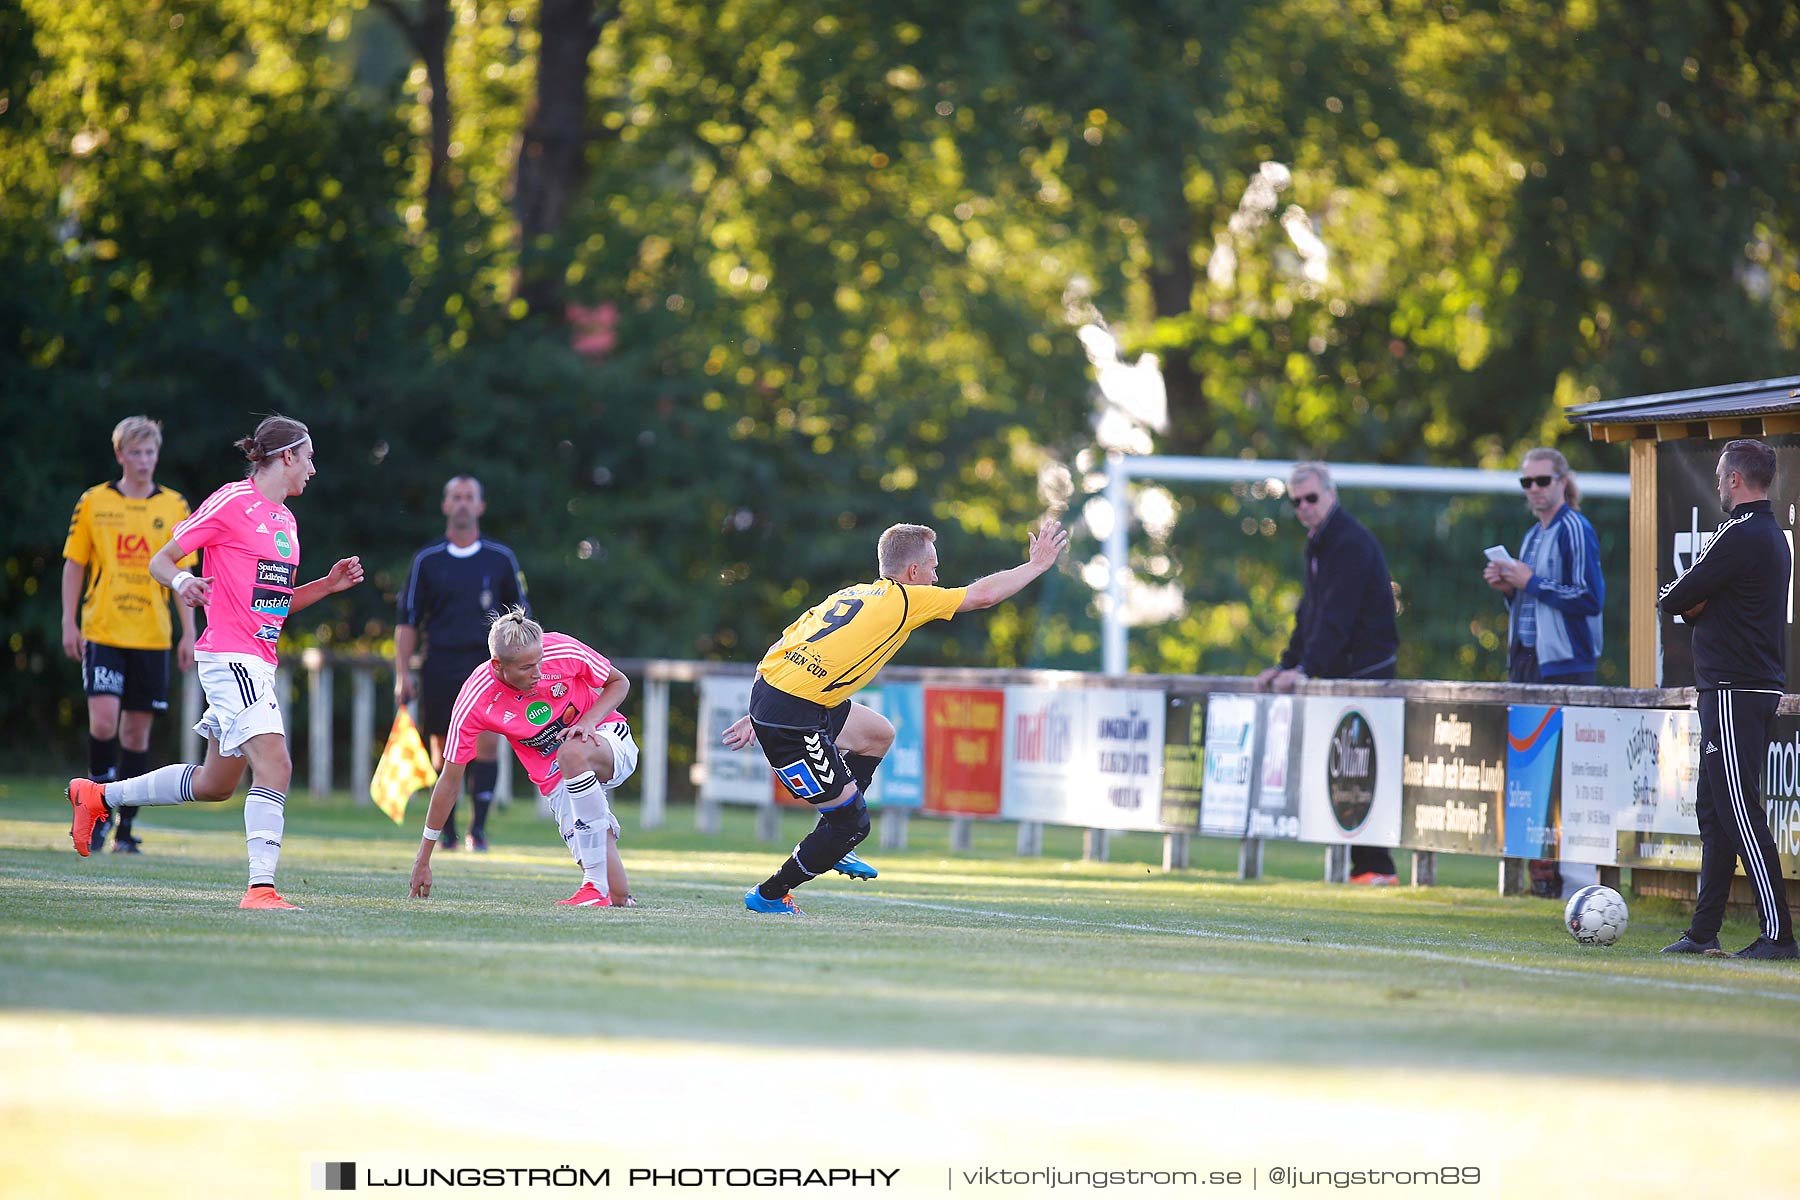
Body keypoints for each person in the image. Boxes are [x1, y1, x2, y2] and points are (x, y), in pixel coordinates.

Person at [64, 415, 366, 910]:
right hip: (231, 657)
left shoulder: (286, 521)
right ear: (287, 455)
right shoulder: (231, 501)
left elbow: (274, 603)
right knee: (276, 764)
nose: (313, 469)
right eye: (309, 458)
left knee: (214, 785)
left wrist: (326, 587)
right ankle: (261, 889)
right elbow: (161, 560)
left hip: (258, 659)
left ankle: (97, 796)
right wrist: (184, 583)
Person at [722, 517, 1070, 914]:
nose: (937, 578)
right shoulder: (907, 599)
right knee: (852, 826)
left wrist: (756, 709)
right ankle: (769, 894)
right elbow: (982, 596)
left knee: (878, 734)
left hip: (781, 695)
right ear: (913, 572)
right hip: (793, 715)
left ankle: (833, 843)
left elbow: (785, 642)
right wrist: (1036, 566)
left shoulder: (854, 593)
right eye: (934, 568)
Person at [1656, 439, 1796, 960]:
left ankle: (1778, 935)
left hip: (1735, 689)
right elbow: (1693, 596)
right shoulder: (1769, 534)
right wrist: (1698, 601)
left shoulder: (1740, 532)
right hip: (1740, 688)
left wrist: (1694, 603)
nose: (1717, 483)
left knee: (1738, 809)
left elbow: (1674, 595)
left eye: (1720, 476)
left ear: (1735, 479)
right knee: (1714, 810)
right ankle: (1703, 931)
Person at [407, 609, 637, 907]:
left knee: (570, 752)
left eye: (540, 662)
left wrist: (589, 721)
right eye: (528, 667)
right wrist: (423, 859)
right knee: (615, 895)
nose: (538, 672)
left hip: (606, 738)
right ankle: (612, 893)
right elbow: (449, 782)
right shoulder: (475, 698)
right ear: (498, 665)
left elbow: (620, 682)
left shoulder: (560, 648)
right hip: (557, 778)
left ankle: (592, 884)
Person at [1254, 461, 1402, 885]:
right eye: (1296, 501)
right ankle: (1366, 866)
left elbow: (1337, 616)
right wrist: (1287, 665)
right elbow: (1311, 615)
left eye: (1311, 498)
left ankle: (1377, 867)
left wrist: (1305, 669)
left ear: (1331, 495)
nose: (1303, 507)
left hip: (1366, 672)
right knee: (1347, 768)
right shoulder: (1319, 542)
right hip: (1342, 673)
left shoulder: (1349, 542)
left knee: (1363, 768)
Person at [60, 416, 198, 854]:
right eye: (135, 453)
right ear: (120, 454)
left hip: (153, 636)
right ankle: (94, 812)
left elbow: (184, 573)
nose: (143, 461)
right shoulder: (94, 502)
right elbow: (74, 564)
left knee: (136, 736)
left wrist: (188, 632)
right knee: (102, 721)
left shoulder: (175, 506)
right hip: (103, 629)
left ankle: (126, 827)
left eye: (150, 452)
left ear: (158, 455)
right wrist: (69, 621)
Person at [1484, 446, 1605, 898]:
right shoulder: (1532, 534)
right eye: (1526, 482)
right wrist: (1509, 590)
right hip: (1528, 660)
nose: (1534, 489)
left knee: (1566, 773)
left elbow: (1589, 598)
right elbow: (1532, 601)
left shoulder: (1575, 528)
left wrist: (1528, 582)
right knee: (1532, 770)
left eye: (1542, 480)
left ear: (1561, 481)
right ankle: (1542, 875)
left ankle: (1575, 878)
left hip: (1566, 665)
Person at [395, 475, 529, 852]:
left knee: (487, 743)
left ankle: (479, 831)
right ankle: (448, 833)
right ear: (445, 505)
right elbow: (406, 621)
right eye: (456, 497)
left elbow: (522, 617)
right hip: (441, 661)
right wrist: (402, 673)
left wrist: (521, 667)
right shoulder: (427, 560)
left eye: (470, 497)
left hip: (488, 664)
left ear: (481, 506)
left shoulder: (500, 559)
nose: (463, 503)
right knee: (446, 747)